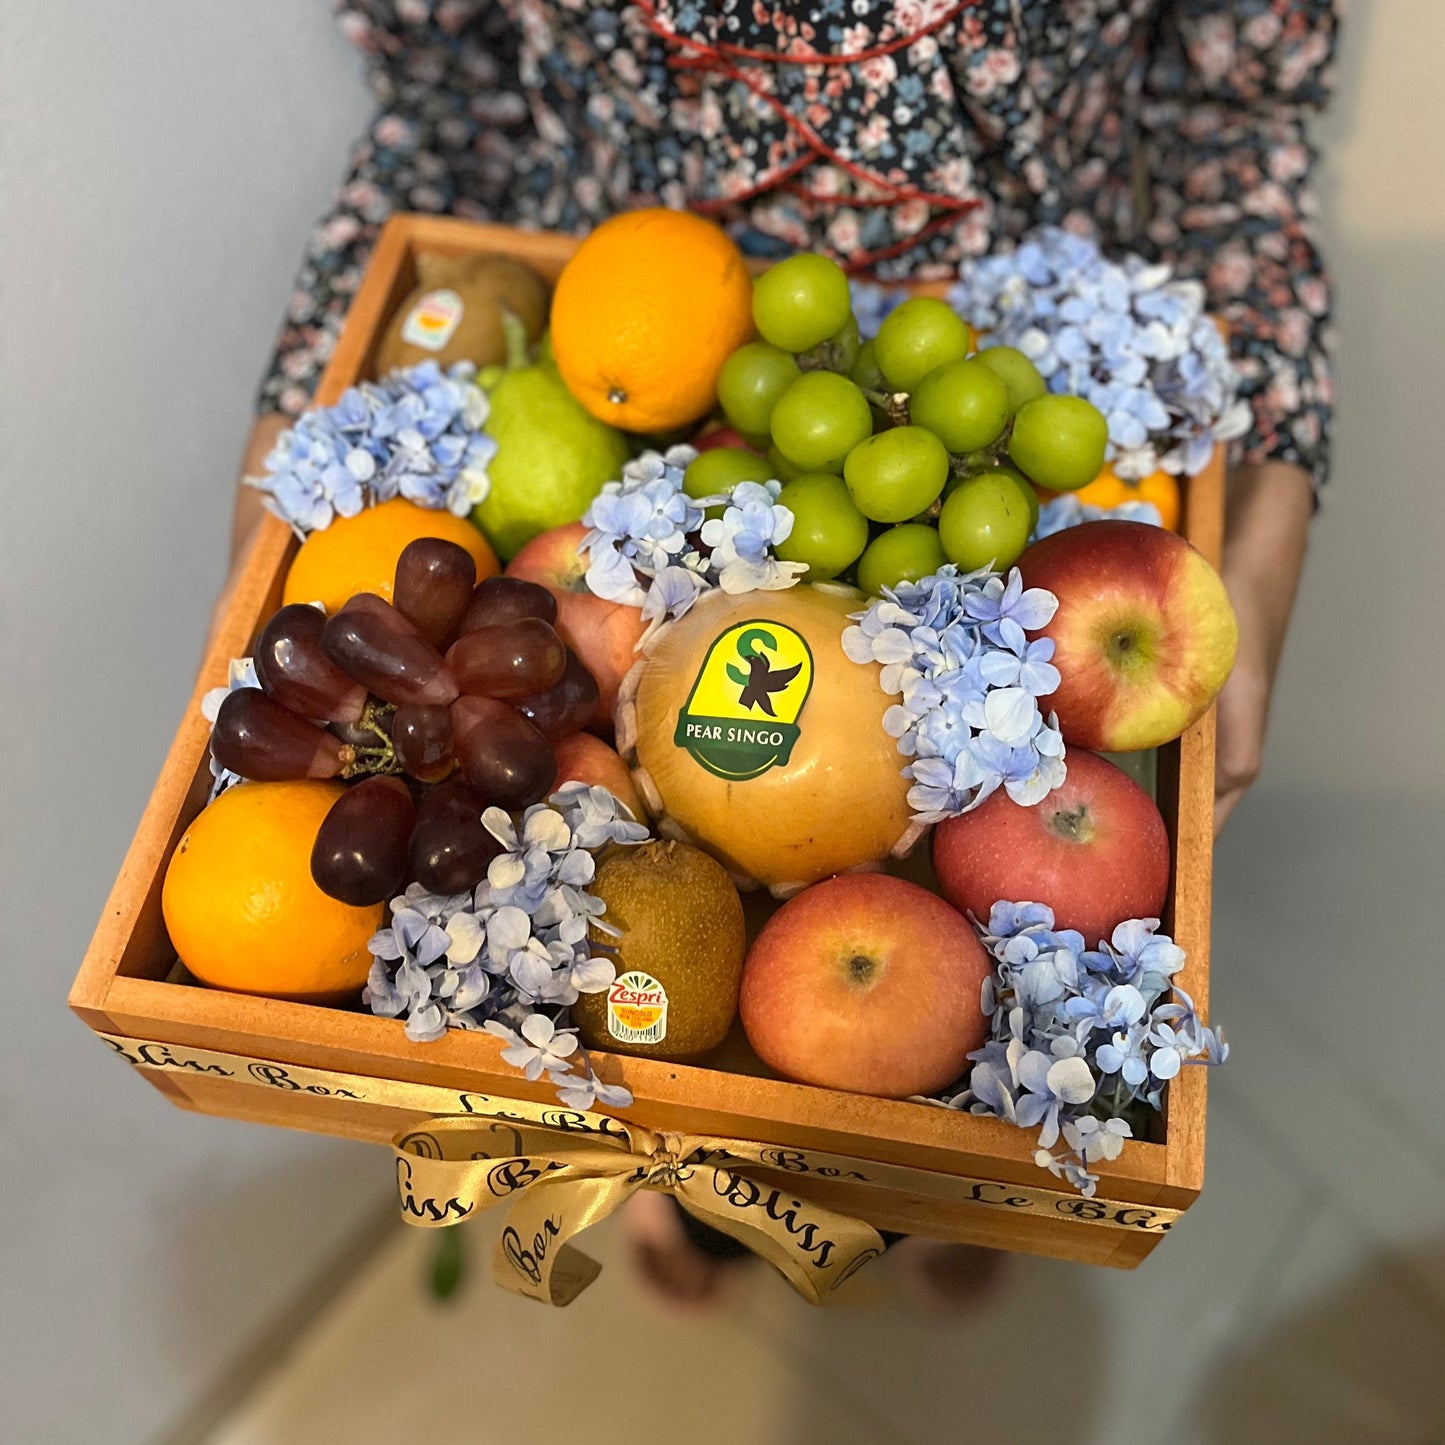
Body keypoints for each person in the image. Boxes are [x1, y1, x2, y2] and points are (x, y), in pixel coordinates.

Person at [225, 0, 1336, 1307]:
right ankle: (708, 1215)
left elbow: (1235, 127)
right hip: (620, 372)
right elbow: (445, 99)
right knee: (668, 1040)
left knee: (936, 1086)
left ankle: (947, 1191)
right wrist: (287, 472)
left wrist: (1255, 573)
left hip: (1031, 404)